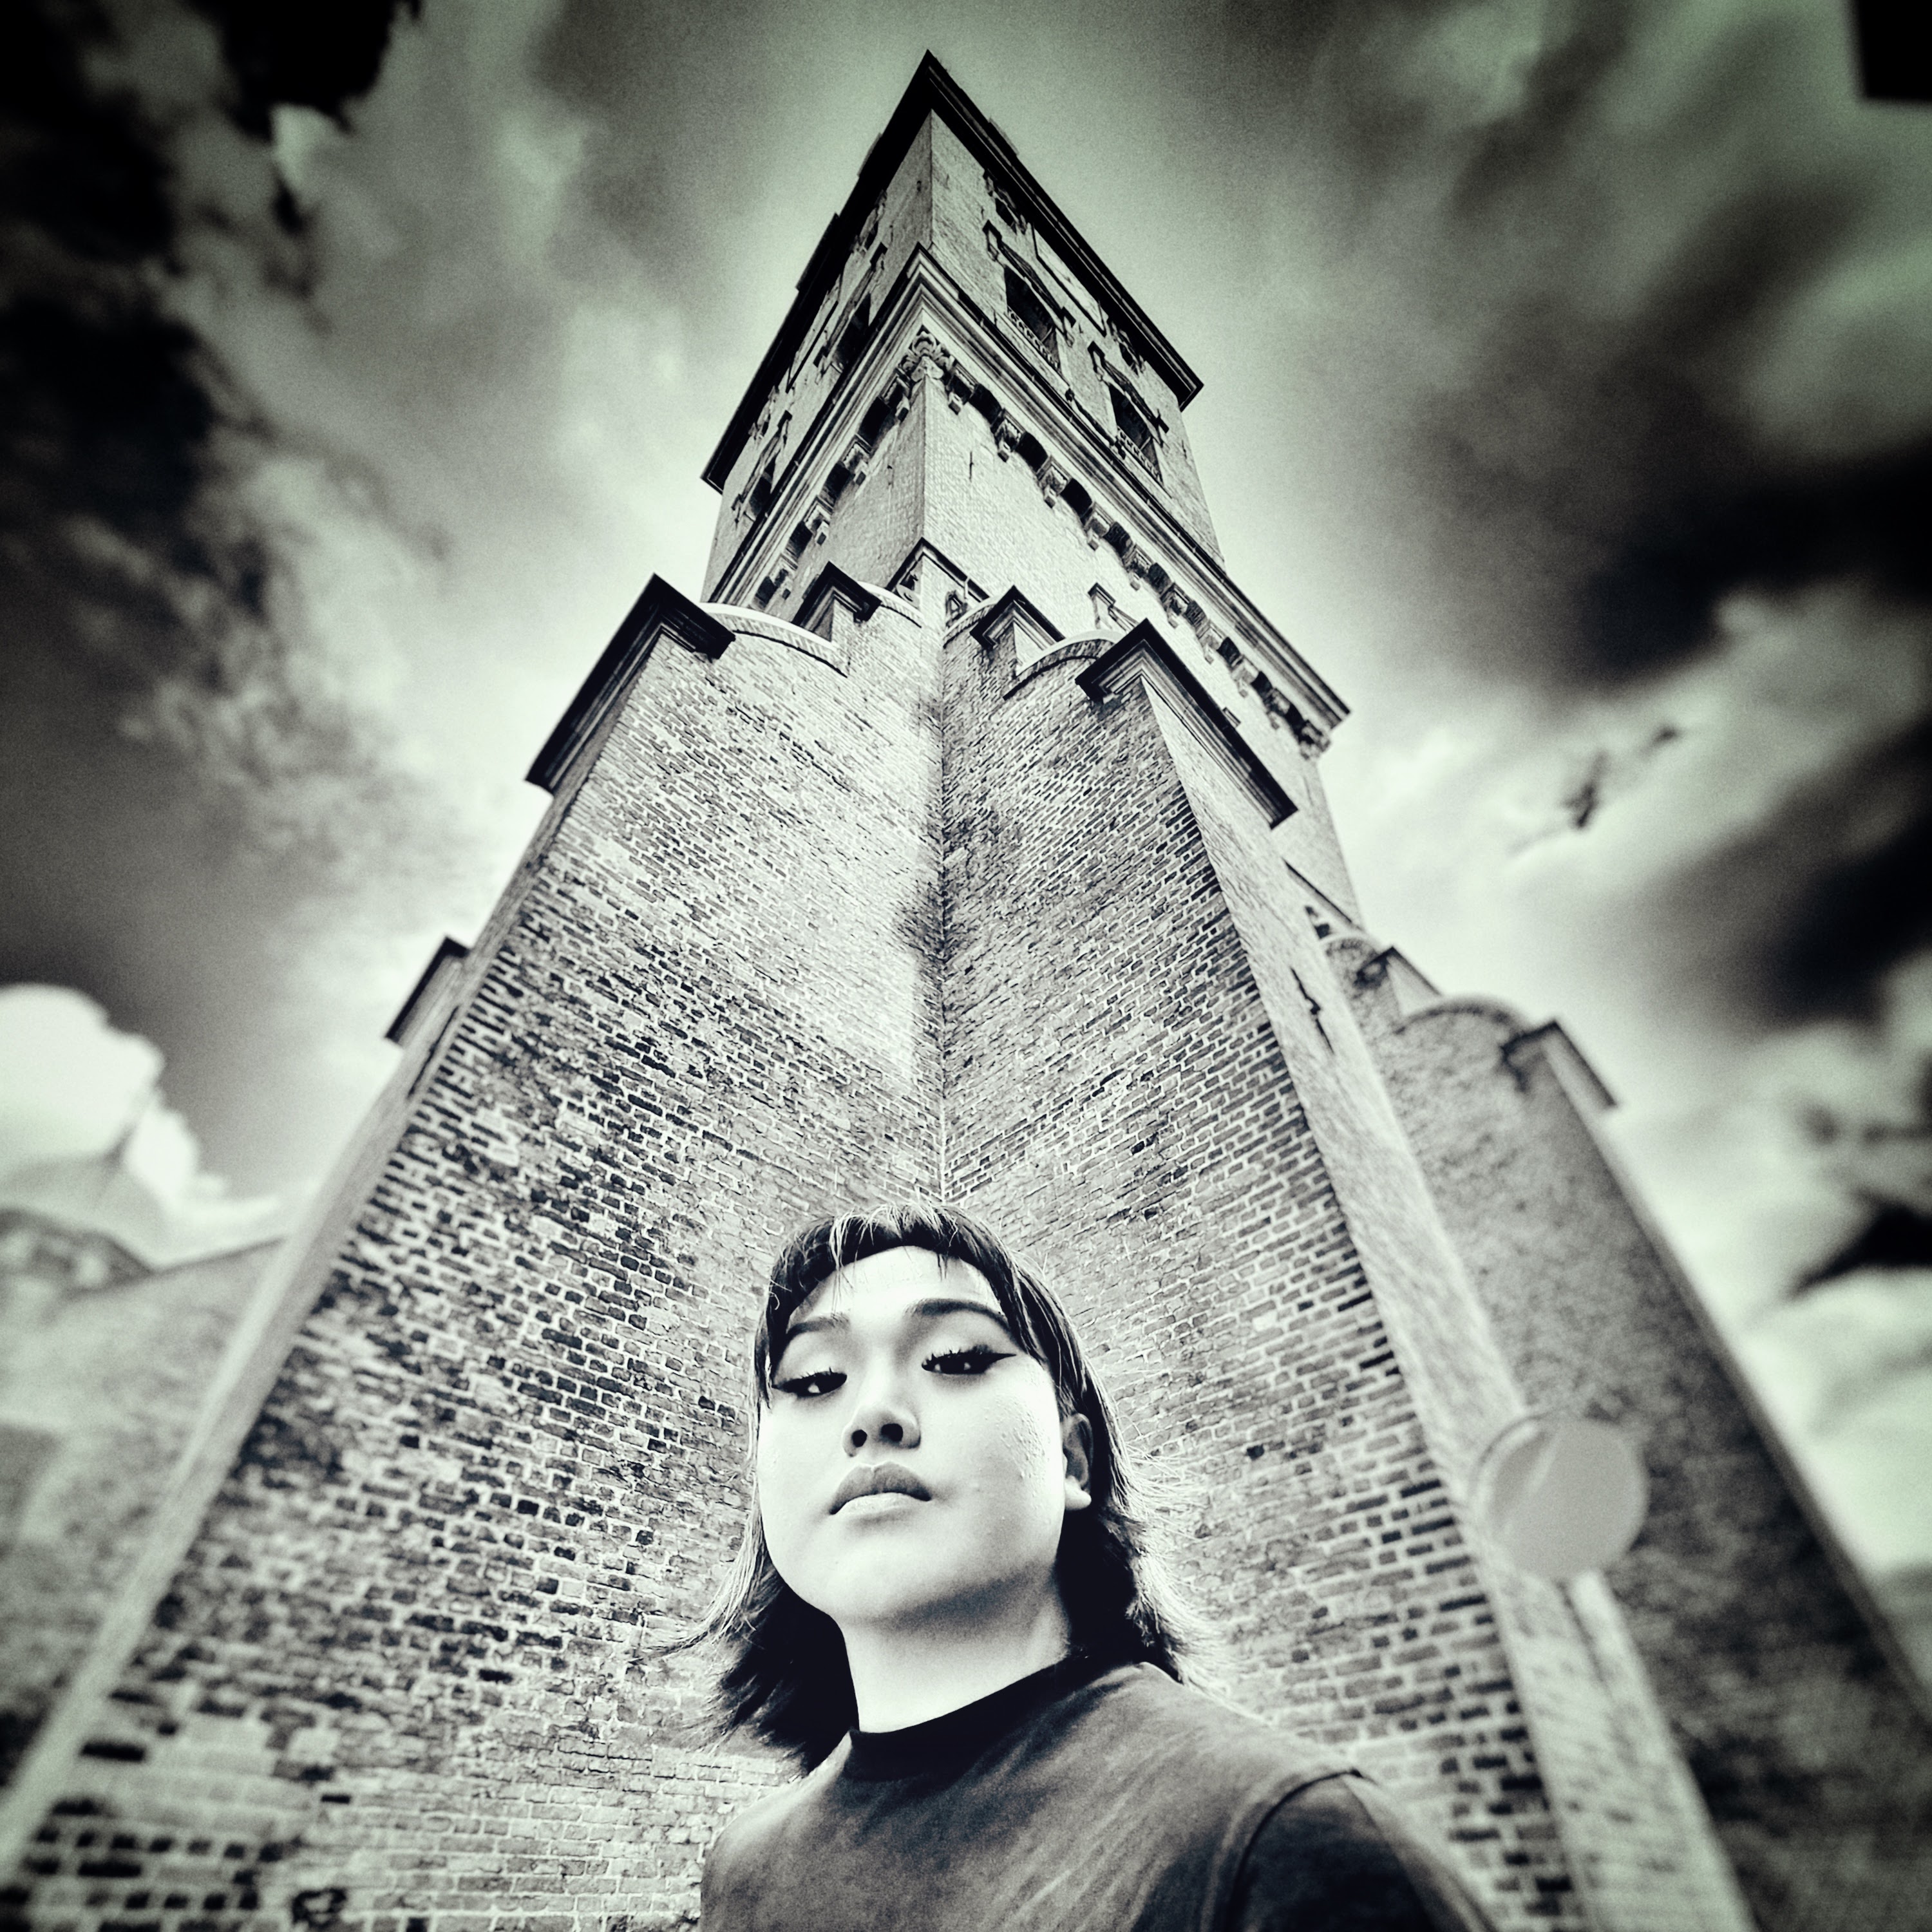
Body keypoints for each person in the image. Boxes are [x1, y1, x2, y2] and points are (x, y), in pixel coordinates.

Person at [692, 1202, 1499, 1931]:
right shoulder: (743, 1871)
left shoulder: (1282, 1841)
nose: (872, 1413)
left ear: (1072, 1460)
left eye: (958, 1358)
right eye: (814, 1380)